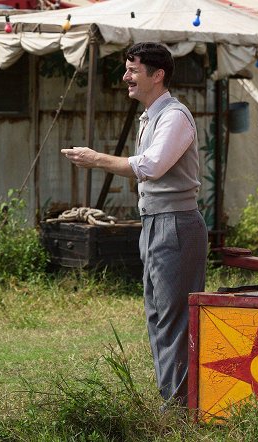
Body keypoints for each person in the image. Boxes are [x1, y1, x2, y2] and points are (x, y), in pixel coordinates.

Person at [61, 42, 207, 407]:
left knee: (174, 317)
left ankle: (179, 405)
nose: (125, 77)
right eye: (126, 69)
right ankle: (171, 397)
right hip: (155, 221)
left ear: (157, 75)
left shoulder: (174, 116)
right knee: (158, 314)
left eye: (133, 70)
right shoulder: (152, 115)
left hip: (175, 222)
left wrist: (96, 159)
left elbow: (152, 166)